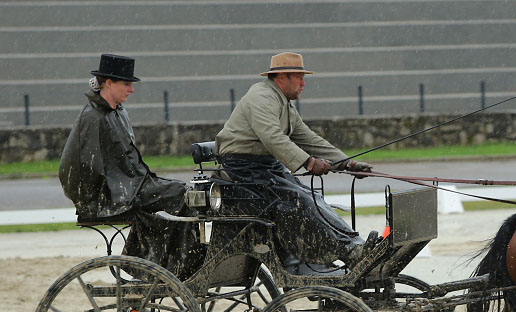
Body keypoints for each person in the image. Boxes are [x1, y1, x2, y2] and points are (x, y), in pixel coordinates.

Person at [215, 52, 376, 271]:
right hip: (243, 169)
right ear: (282, 77)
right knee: (299, 201)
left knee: (312, 197)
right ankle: (349, 251)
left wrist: (347, 163)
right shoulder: (261, 97)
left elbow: (307, 138)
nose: (303, 83)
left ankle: (354, 246)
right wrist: (310, 163)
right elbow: (273, 137)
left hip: (264, 167)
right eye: (299, 77)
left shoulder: (282, 103)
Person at [59, 54, 204, 278]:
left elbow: (128, 163)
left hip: (131, 184)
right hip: (112, 194)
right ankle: (160, 265)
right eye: (126, 84)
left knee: (187, 193)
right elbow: (80, 169)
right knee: (180, 194)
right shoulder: (93, 118)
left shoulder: (118, 113)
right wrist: (97, 198)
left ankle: (173, 263)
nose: (131, 90)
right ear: (108, 83)